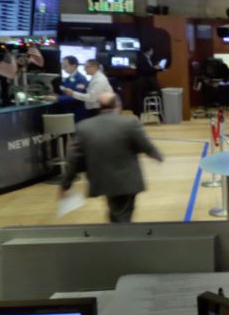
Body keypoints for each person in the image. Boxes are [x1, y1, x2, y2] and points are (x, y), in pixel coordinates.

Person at [59, 92, 164, 223]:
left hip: (102, 181)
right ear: (117, 105)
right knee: (122, 216)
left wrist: (65, 185)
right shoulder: (129, 123)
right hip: (126, 181)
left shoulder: (84, 127)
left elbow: (73, 159)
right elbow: (145, 146)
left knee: (116, 211)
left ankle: (115, 235)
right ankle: (121, 240)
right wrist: (156, 155)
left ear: (99, 106)